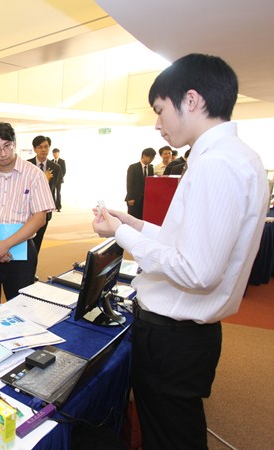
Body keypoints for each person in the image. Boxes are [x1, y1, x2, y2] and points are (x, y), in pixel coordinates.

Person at [93, 53, 268, 450]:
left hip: (173, 338)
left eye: (160, 110)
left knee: (169, 438)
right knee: (173, 432)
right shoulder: (235, 157)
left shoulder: (216, 164)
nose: (158, 124)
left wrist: (123, 235)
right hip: (183, 336)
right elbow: (187, 240)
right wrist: (136, 225)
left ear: (191, 100)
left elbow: (196, 270)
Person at [0, 122, 54, 309]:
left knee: (20, 308)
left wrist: (6, 245)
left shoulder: (34, 175)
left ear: (14, 143)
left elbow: (39, 217)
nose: (3, 153)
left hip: (21, 250)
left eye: (7, 146)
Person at [28, 135, 61, 253]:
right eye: (40, 147)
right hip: (27, 211)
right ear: (34, 149)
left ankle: (33, 264)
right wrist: (43, 180)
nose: (43, 149)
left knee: (37, 243)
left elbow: (55, 188)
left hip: (44, 211)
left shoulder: (56, 168)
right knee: (26, 242)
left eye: (46, 146)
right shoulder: (27, 165)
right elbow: (23, 188)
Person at [125, 147, 156, 219]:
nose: (151, 160)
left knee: (143, 218)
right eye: (150, 157)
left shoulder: (151, 168)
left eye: (153, 158)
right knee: (133, 218)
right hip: (134, 198)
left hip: (145, 199)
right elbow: (129, 183)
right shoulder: (133, 167)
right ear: (144, 156)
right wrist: (130, 197)